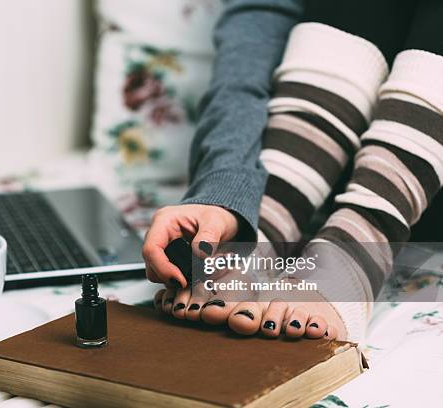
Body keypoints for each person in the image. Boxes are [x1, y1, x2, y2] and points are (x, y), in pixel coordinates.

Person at [142, 0, 443, 343]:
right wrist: (228, 194)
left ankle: (359, 242)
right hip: (324, 160)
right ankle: (272, 222)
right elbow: (258, 27)